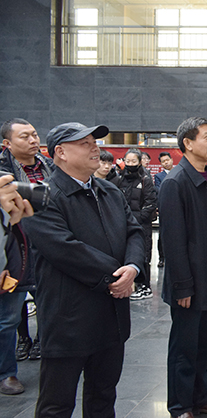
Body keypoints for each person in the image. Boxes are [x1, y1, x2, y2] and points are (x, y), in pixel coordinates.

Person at [21, 122, 145, 417]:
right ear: (60, 153)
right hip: (68, 319)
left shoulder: (110, 191)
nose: (95, 148)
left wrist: (132, 267)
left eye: (95, 142)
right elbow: (65, 249)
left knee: (103, 397)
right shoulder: (41, 196)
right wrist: (117, 275)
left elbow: (134, 232)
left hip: (111, 315)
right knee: (57, 404)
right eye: (84, 143)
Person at [159, 117, 207, 418]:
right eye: (206, 136)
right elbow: (173, 241)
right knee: (184, 348)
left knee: (206, 344)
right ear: (188, 143)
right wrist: (182, 286)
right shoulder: (175, 183)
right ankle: (180, 406)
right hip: (189, 283)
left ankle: (201, 397)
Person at [0, 118, 54, 372]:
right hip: (13, 252)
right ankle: (7, 373)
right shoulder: (3, 175)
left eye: (34, 134)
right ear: (7, 143)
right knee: (8, 318)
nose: (33, 140)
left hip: (47, 247)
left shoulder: (51, 167)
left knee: (50, 310)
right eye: (25, 136)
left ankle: (47, 352)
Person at [0, 174, 34, 395]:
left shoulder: (44, 167)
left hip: (20, 259)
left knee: (9, 320)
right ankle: (6, 372)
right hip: (10, 261)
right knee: (7, 320)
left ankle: (6, 372)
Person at [111, 148, 157, 301]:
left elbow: (151, 201)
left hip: (142, 223)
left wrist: (140, 217)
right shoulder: (119, 178)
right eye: (128, 161)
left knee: (143, 254)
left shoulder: (145, 179)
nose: (130, 164)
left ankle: (145, 287)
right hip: (122, 223)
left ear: (139, 162)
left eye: (134, 161)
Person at [154, 152, 174, 268]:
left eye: (167, 160)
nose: (166, 162)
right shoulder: (158, 176)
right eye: (163, 161)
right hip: (165, 208)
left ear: (171, 160)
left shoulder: (179, 173)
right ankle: (162, 258)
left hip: (178, 208)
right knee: (162, 234)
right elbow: (159, 190)